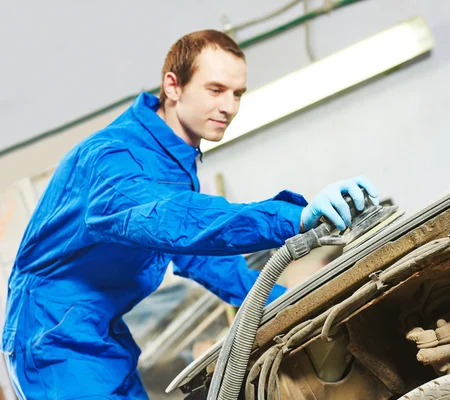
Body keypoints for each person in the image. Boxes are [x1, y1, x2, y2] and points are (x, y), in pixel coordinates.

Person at [1, 30, 379, 399]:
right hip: (53, 340)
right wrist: (291, 218)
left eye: (237, 94)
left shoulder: (172, 165)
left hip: (98, 337)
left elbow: (199, 257)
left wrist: (298, 301)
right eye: (215, 90)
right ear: (173, 86)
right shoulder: (115, 158)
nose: (229, 107)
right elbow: (174, 220)